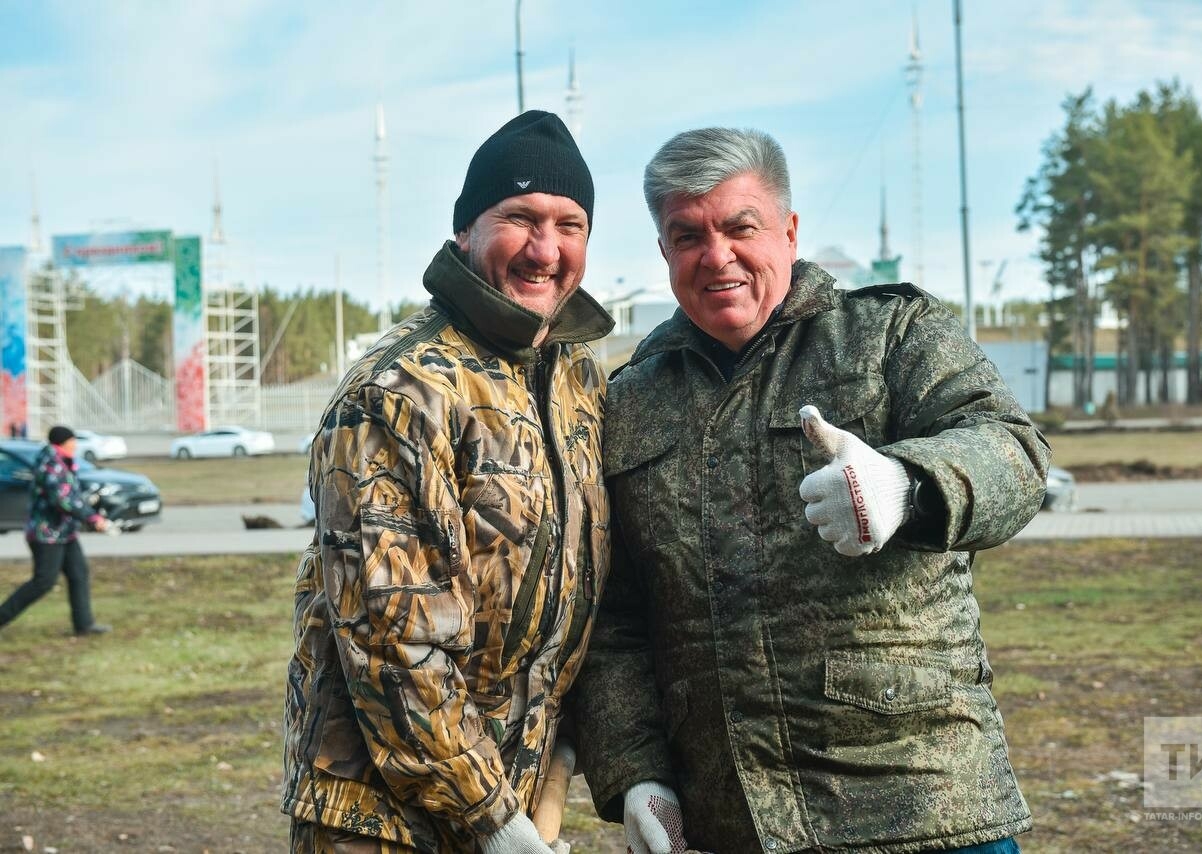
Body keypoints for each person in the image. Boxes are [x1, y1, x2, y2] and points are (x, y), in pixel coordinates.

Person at [571, 128, 1050, 854]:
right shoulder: (630, 400)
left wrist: (906, 485)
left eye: (741, 226)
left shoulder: (890, 335)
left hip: (919, 803)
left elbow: (1013, 453)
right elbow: (617, 616)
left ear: (790, 232)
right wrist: (637, 771)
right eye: (688, 235)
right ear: (664, 251)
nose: (717, 255)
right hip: (733, 821)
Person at [282, 110, 613, 854]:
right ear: (465, 230)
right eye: (519, 217)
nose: (545, 248)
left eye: (571, 224)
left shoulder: (577, 382)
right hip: (382, 819)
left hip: (514, 804)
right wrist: (490, 821)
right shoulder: (398, 392)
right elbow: (391, 640)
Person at [0, 425, 111, 635]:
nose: (75, 445)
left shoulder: (63, 463)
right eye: (72, 441)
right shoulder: (51, 465)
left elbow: (71, 495)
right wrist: (91, 517)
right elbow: (62, 500)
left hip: (64, 532)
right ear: (62, 443)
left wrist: (89, 509)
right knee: (43, 582)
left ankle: (84, 624)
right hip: (47, 534)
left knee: (78, 573)